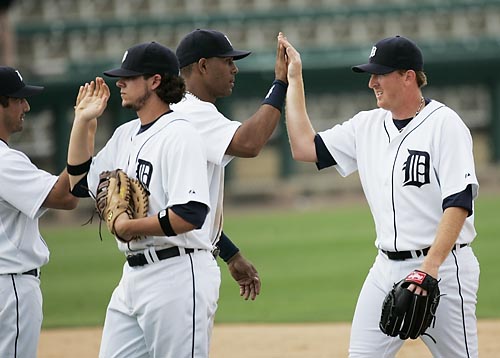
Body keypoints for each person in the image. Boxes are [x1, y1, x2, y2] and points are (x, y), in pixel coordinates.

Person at [279, 33, 480, 357]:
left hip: (441, 269)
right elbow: (305, 147)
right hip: (385, 268)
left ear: (408, 76)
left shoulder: (446, 125)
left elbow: (458, 203)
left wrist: (429, 269)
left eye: (379, 73)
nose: (372, 82)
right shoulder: (366, 126)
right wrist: (294, 79)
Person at [66, 42, 219, 357]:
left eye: (130, 77)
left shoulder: (180, 134)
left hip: (177, 274)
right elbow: (79, 184)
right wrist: (82, 123)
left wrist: (130, 226)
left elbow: (190, 214)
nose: (120, 82)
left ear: (155, 81)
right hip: (132, 278)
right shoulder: (126, 134)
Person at [173, 29, 288, 300]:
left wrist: (230, 253)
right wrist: (280, 82)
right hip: (183, 270)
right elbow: (250, 143)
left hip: (162, 263)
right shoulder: (192, 111)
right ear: (202, 66)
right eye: (227, 62)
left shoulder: (173, 109)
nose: (234, 69)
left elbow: (185, 210)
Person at [0, 66, 78, 357]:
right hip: (10, 287)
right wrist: (84, 129)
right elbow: (65, 196)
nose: (26, 106)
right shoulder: (4, 160)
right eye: (18, 99)